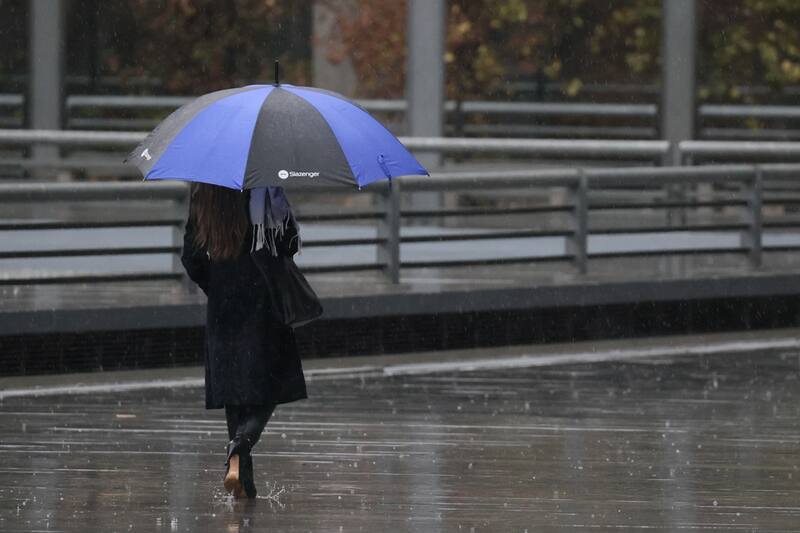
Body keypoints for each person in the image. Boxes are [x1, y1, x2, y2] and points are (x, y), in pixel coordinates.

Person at [180, 182, 308, 499]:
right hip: (263, 292)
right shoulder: (264, 185)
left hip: (223, 297)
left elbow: (191, 258)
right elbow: (288, 244)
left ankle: (242, 480)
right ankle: (242, 442)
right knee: (275, 380)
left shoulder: (205, 190)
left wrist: (219, 283)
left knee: (235, 390)